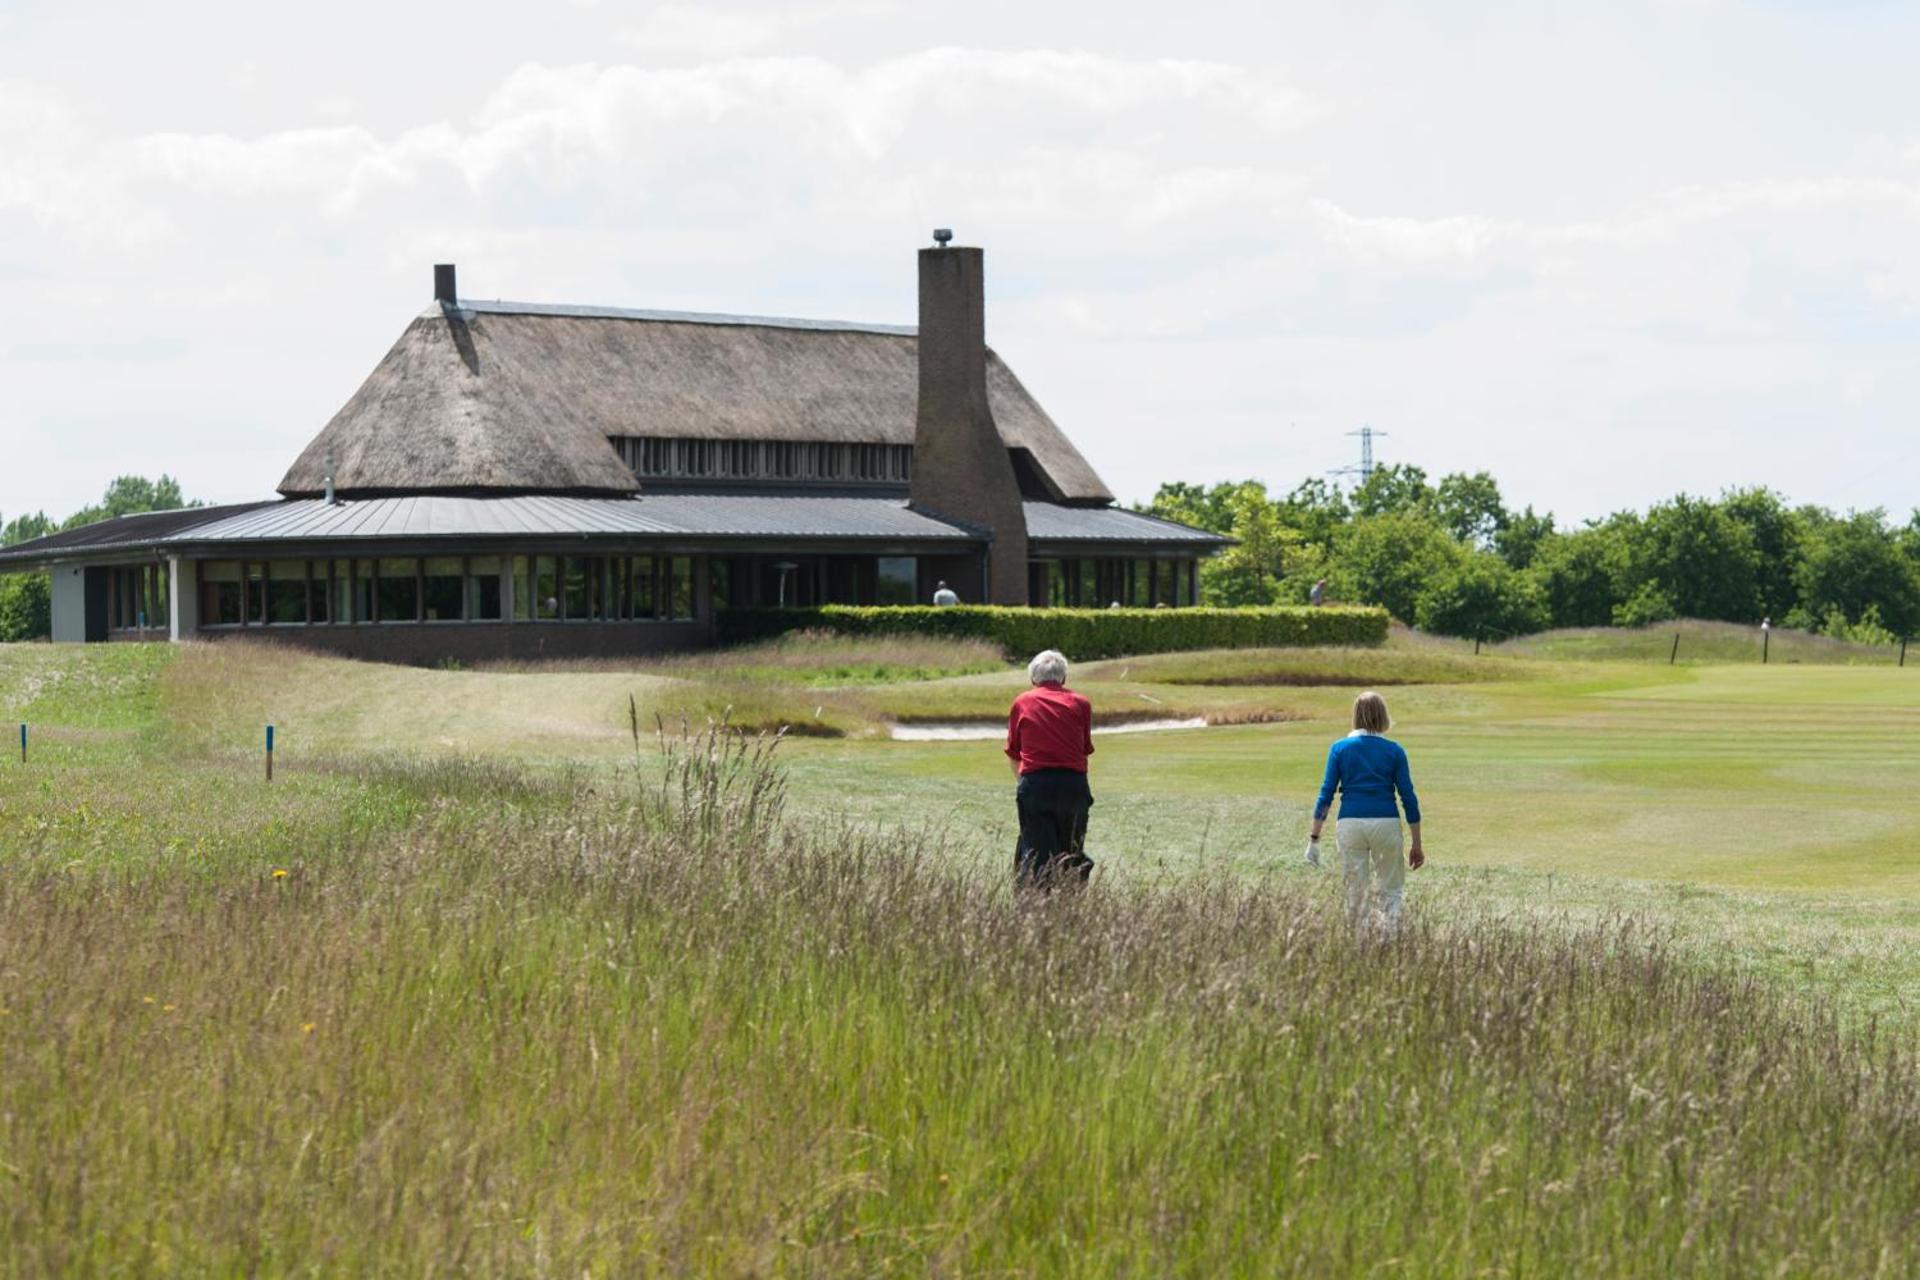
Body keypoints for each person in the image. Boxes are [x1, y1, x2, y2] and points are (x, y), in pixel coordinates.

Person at [1307, 691, 1424, 934]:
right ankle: (1389, 941)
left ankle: (1360, 945)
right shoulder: (1394, 751)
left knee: (1355, 892)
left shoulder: (1339, 748)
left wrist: (1314, 839)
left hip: (1350, 823)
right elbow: (1408, 798)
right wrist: (1416, 843)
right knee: (1391, 890)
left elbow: (1326, 794)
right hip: (1386, 823)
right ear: (1383, 716)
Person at [1005, 649, 1095, 888]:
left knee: (1036, 851)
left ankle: (1034, 908)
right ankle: (1070, 901)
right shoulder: (1081, 703)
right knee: (1071, 849)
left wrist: (1024, 783)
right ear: (1063, 678)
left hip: (1036, 783)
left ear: (1033, 679)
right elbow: (1084, 750)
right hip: (1074, 785)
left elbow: (1014, 753)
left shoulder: (1022, 702)